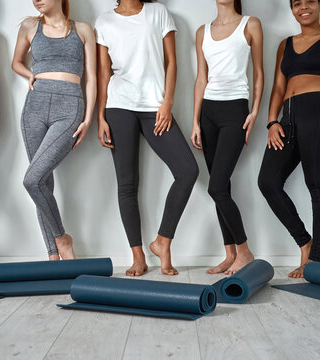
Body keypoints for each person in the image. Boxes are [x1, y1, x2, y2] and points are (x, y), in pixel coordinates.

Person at [96, 0, 199, 276]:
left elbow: (172, 61)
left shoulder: (158, 13)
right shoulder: (104, 21)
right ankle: (137, 256)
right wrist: (100, 116)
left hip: (155, 106)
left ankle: (162, 241)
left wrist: (167, 103)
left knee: (188, 170)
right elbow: (104, 72)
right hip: (118, 105)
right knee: (127, 184)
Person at [257, 0, 320, 278]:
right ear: (292, 9)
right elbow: (277, 86)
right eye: (297, 3)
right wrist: (272, 121)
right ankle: (305, 242)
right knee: (268, 182)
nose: (303, 7)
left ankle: (316, 260)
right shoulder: (285, 44)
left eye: (309, 1)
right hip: (288, 116)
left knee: (318, 184)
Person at [12, 0, 96, 260]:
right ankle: (53, 254)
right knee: (41, 182)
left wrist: (89, 117)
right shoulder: (29, 26)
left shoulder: (82, 30)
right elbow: (15, 62)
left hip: (69, 106)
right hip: (34, 106)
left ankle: (62, 239)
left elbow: (92, 76)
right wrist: (30, 74)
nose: (36, 0)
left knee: (32, 179)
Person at [191, 0, 264, 275]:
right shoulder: (202, 31)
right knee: (222, 188)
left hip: (236, 109)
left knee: (217, 187)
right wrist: (195, 120)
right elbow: (201, 78)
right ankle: (230, 253)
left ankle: (245, 251)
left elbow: (258, 72)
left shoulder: (251, 24)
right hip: (208, 111)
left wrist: (255, 112)